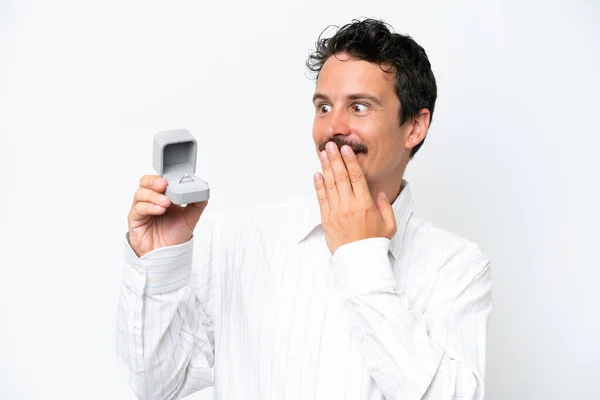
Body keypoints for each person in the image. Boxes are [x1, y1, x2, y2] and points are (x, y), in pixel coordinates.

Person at [117, 18, 492, 400]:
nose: (334, 127)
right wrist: (160, 262)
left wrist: (360, 258)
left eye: (359, 107)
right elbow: (156, 386)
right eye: (324, 107)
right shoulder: (237, 239)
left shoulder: (456, 268)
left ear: (415, 126)